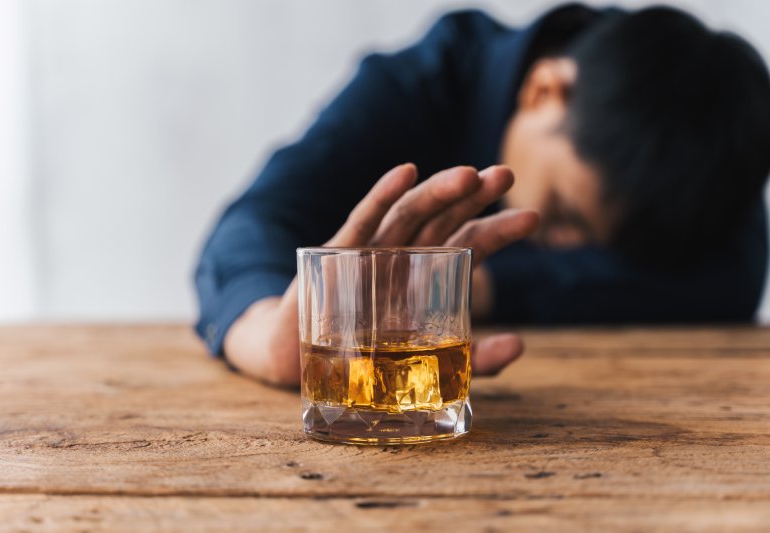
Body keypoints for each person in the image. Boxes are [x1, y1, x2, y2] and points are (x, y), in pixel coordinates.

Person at [193, 4, 770, 386]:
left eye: (600, 245)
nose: (566, 249)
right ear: (545, 90)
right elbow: (252, 227)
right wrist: (271, 338)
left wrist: (462, 287)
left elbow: (737, 274)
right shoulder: (416, 85)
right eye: (566, 213)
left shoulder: (700, 144)